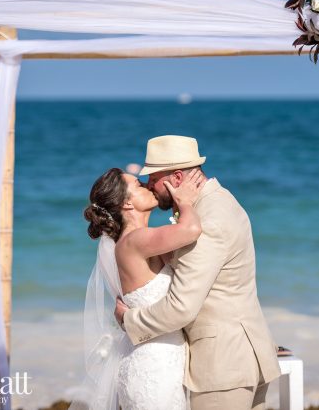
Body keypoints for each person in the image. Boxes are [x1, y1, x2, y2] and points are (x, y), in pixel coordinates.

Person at [115, 135, 281, 410]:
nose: (149, 186)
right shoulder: (220, 200)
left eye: (153, 178)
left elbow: (181, 307)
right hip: (241, 358)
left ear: (177, 177)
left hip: (222, 367)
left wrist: (129, 321)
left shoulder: (208, 220)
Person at [78, 165, 206, 410]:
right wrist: (185, 201)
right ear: (127, 204)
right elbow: (191, 230)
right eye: (138, 184)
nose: (148, 185)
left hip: (160, 364)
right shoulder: (134, 240)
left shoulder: (142, 240)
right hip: (153, 371)